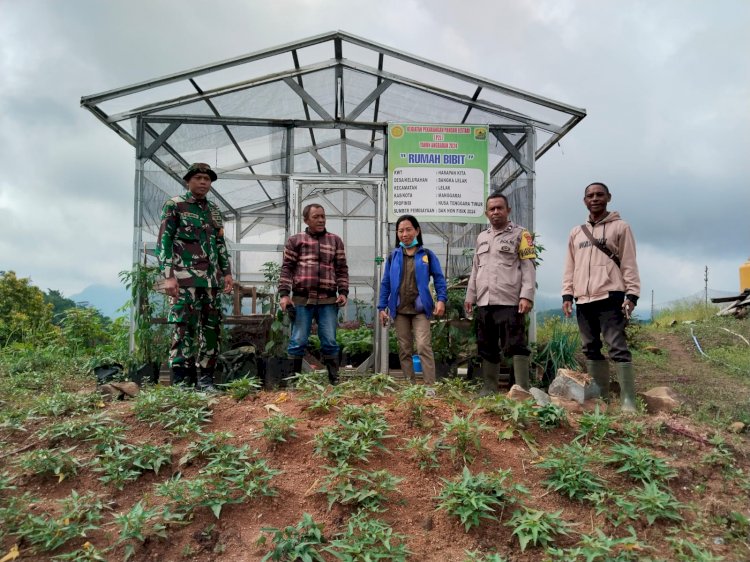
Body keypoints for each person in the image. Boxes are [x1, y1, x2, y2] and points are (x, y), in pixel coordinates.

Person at [562, 181, 640, 413]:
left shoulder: (621, 227)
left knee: (617, 346)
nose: (594, 198)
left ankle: (628, 402)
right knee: (590, 347)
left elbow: (629, 262)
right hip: (583, 299)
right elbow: (570, 266)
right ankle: (600, 400)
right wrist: (567, 293)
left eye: (599, 195)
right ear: (584, 200)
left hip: (610, 295)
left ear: (608, 197)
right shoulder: (576, 232)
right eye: (590, 195)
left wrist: (632, 294)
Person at [157, 163, 234, 391]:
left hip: (210, 283)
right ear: (188, 181)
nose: (203, 182)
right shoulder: (175, 205)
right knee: (183, 329)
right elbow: (164, 242)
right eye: (199, 178)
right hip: (183, 281)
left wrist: (227, 272)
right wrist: (168, 277)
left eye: (207, 179)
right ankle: (182, 382)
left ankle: (206, 380)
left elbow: (220, 244)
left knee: (211, 330)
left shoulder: (214, 210)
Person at [465, 193, 536, 395]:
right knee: (486, 345)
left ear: (508, 210)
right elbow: (476, 269)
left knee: (516, 345)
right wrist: (470, 296)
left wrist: (526, 296)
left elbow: (528, 267)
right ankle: (489, 389)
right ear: (486, 213)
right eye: (491, 209)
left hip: (510, 301)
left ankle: (522, 390)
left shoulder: (522, 235)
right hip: (485, 302)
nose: (495, 212)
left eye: (499, 208)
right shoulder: (482, 237)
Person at [278, 204, 349, 384]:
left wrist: (343, 291)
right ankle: (292, 383)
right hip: (302, 299)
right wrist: (285, 294)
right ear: (306, 220)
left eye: (323, 216)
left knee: (330, 340)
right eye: (316, 216)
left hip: (328, 300)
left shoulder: (335, 241)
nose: (321, 220)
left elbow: (341, 269)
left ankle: (334, 381)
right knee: (298, 341)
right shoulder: (296, 241)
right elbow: (287, 268)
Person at [378, 215, 448, 388]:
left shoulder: (427, 255)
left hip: (421, 310)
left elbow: (439, 279)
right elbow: (386, 282)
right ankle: (411, 386)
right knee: (404, 349)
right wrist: (382, 306)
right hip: (399, 310)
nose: (404, 234)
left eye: (408, 229)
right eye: (400, 231)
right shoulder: (393, 256)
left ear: (417, 230)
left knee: (423, 346)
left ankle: (429, 386)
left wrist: (441, 300)